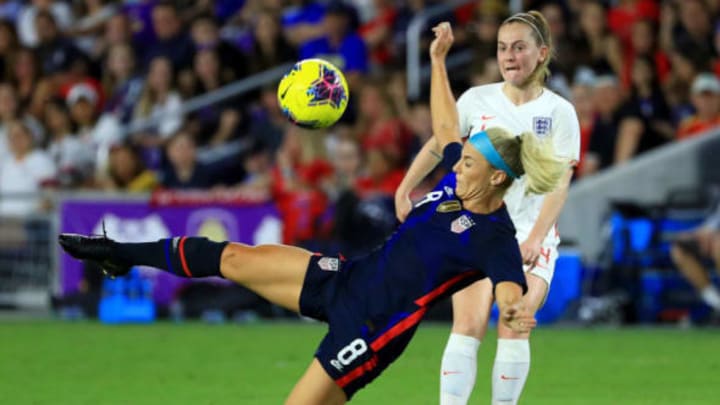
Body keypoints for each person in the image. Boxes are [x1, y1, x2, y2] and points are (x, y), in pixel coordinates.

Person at [58, 22, 569, 404]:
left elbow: (508, 289)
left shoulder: (495, 237)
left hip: (370, 330)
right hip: (345, 280)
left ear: (498, 177)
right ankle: (117, 254)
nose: (456, 165)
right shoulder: (465, 178)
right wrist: (438, 60)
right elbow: (443, 129)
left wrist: (515, 309)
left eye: (469, 162)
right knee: (234, 256)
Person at [394, 15, 580, 405]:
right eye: (502, 47)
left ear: (541, 53)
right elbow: (438, 143)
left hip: (530, 235)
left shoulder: (560, 112)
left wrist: (534, 237)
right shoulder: (477, 100)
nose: (509, 56)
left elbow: (560, 183)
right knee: (469, 323)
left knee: (515, 323)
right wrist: (407, 185)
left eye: (519, 47)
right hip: (477, 229)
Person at [670, 202, 720, 316]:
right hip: (714, 234)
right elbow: (715, 219)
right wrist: (704, 232)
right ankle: (716, 302)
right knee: (680, 248)